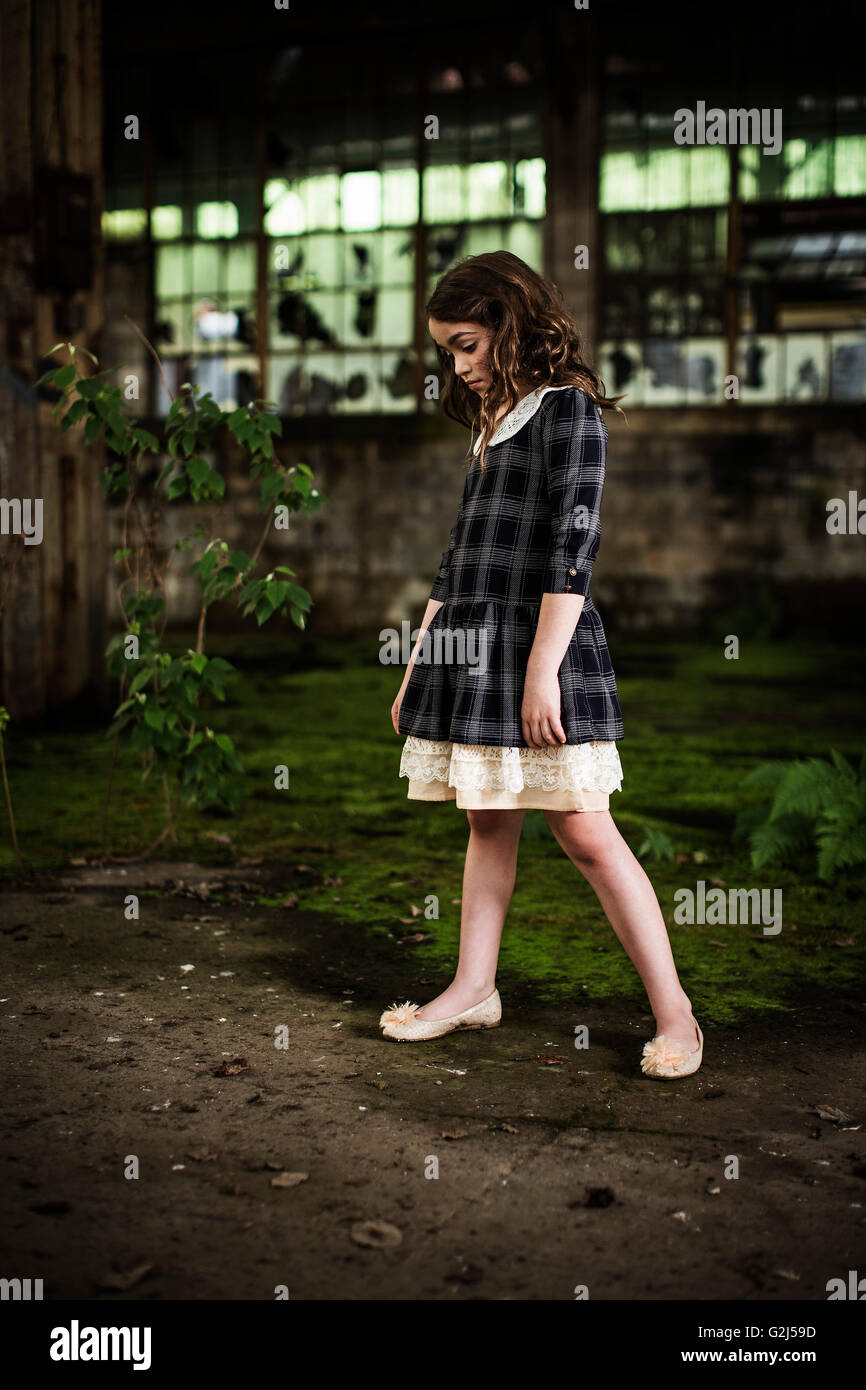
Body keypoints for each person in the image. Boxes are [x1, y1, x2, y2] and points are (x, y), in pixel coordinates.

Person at [382, 252, 702, 1080]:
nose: (457, 367)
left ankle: (678, 1017)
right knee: (486, 818)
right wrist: (420, 659)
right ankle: (474, 986)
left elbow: (576, 547)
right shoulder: (492, 425)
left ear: (509, 323)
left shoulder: (571, 414)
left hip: (544, 648)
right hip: (475, 646)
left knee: (585, 830)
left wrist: (540, 671)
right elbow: (459, 559)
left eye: (465, 346)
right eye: (447, 353)